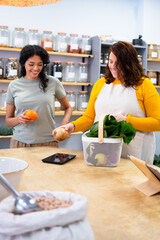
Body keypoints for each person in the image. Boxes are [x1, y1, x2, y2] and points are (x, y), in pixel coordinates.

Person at [53, 41, 160, 163]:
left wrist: (127, 121)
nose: (113, 66)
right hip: (102, 153)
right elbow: (89, 117)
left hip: (134, 156)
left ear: (130, 64)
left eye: (119, 63)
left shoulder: (144, 85)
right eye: (111, 61)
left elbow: (158, 122)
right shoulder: (101, 84)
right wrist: (73, 126)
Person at [6, 45, 72, 148]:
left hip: (48, 142)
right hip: (20, 143)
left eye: (40, 64)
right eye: (31, 64)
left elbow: (68, 108)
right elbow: (8, 121)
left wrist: (63, 124)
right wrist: (19, 119)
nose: (36, 68)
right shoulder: (13, 85)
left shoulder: (53, 82)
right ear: (23, 63)